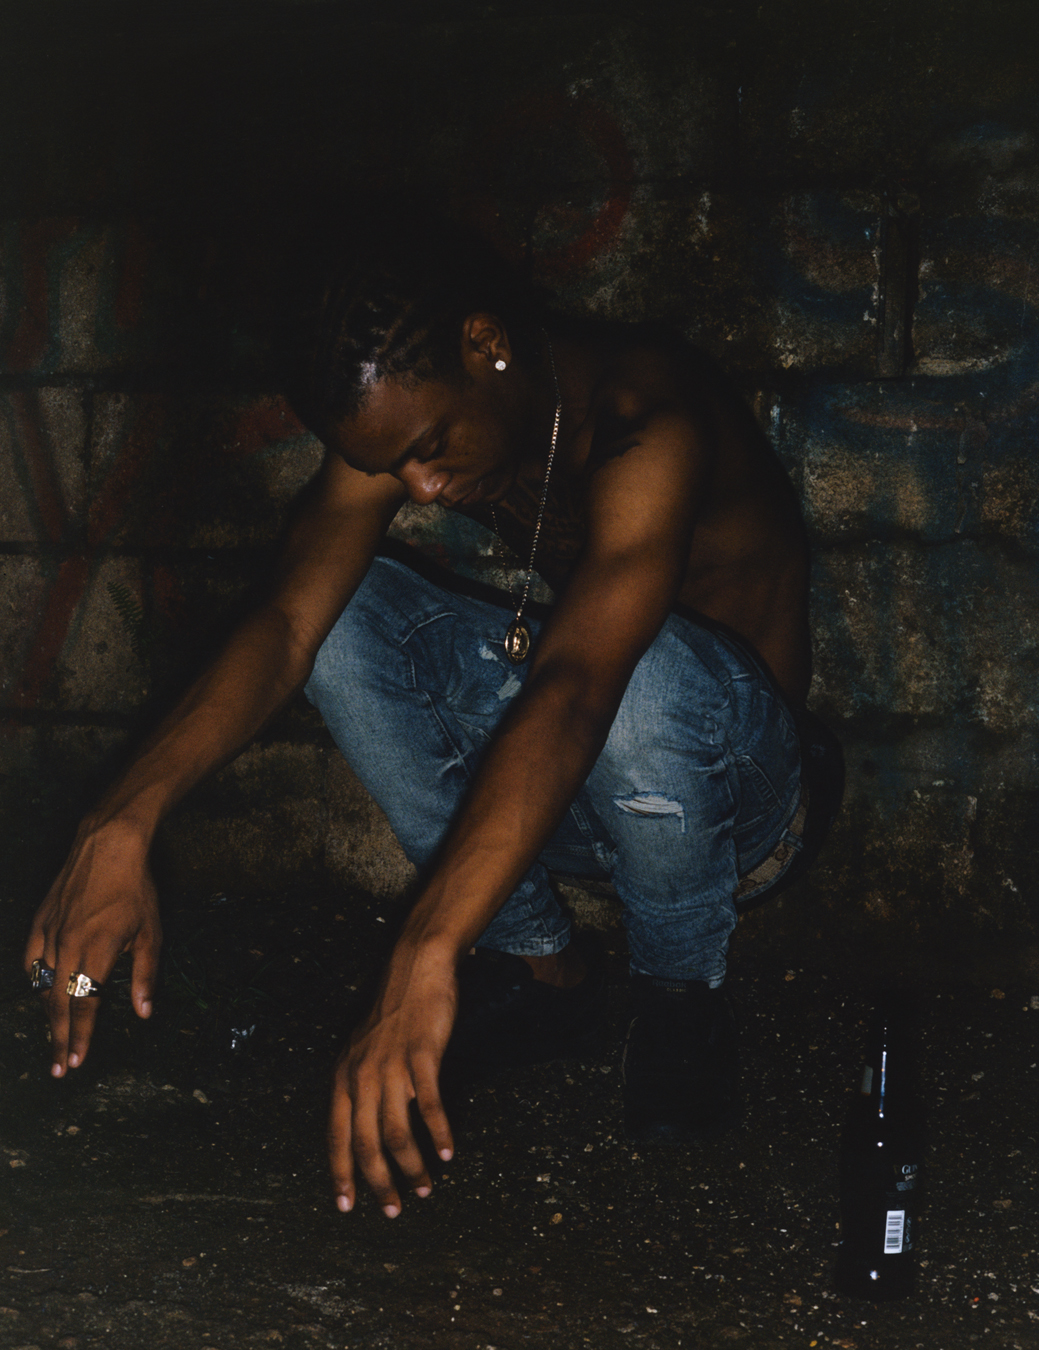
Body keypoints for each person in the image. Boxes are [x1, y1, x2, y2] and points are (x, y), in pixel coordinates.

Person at [23, 222, 841, 1220]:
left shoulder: (645, 418)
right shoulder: (427, 433)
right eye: (395, 468)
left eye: (426, 451)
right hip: (586, 787)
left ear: (488, 347)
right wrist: (122, 820)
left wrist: (420, 955)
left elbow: (580, 683)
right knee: (338, 620)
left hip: (740, 814)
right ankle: (544, 973)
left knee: (640, 667)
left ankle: (680, 998)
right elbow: (285, 621)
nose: (421, 490)